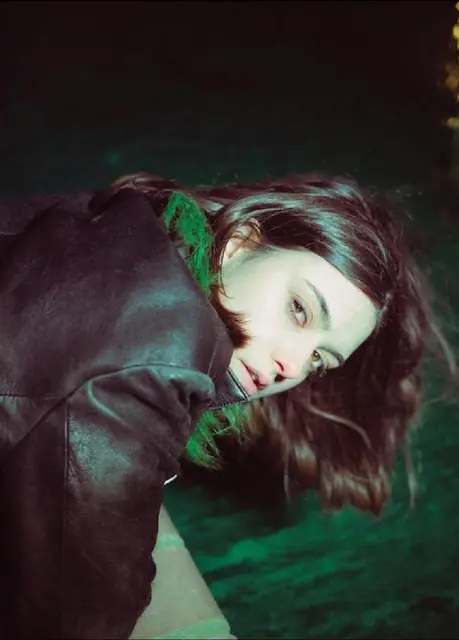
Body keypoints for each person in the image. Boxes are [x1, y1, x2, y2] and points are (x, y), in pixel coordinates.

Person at [0, 171, 436, 638]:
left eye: (318, 360)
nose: (292, 366)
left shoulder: (130, 221)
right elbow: (81, 617)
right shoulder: (154, 364)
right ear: (240, 244)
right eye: (299, 310)